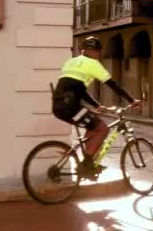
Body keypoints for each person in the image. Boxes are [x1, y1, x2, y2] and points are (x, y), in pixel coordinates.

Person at [52, 36, 140, 177]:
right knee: (102, 128)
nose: (99, 55)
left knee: (93, 127)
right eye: (98, 52)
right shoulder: (93, 64)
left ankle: (89, 163)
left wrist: (97, 105)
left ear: (83, 50)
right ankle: (86, 166)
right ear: (94, 52)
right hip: (71, 107)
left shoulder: (71, 62)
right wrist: (131, 100)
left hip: (58, 105)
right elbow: (113, 84)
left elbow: (80, 90)